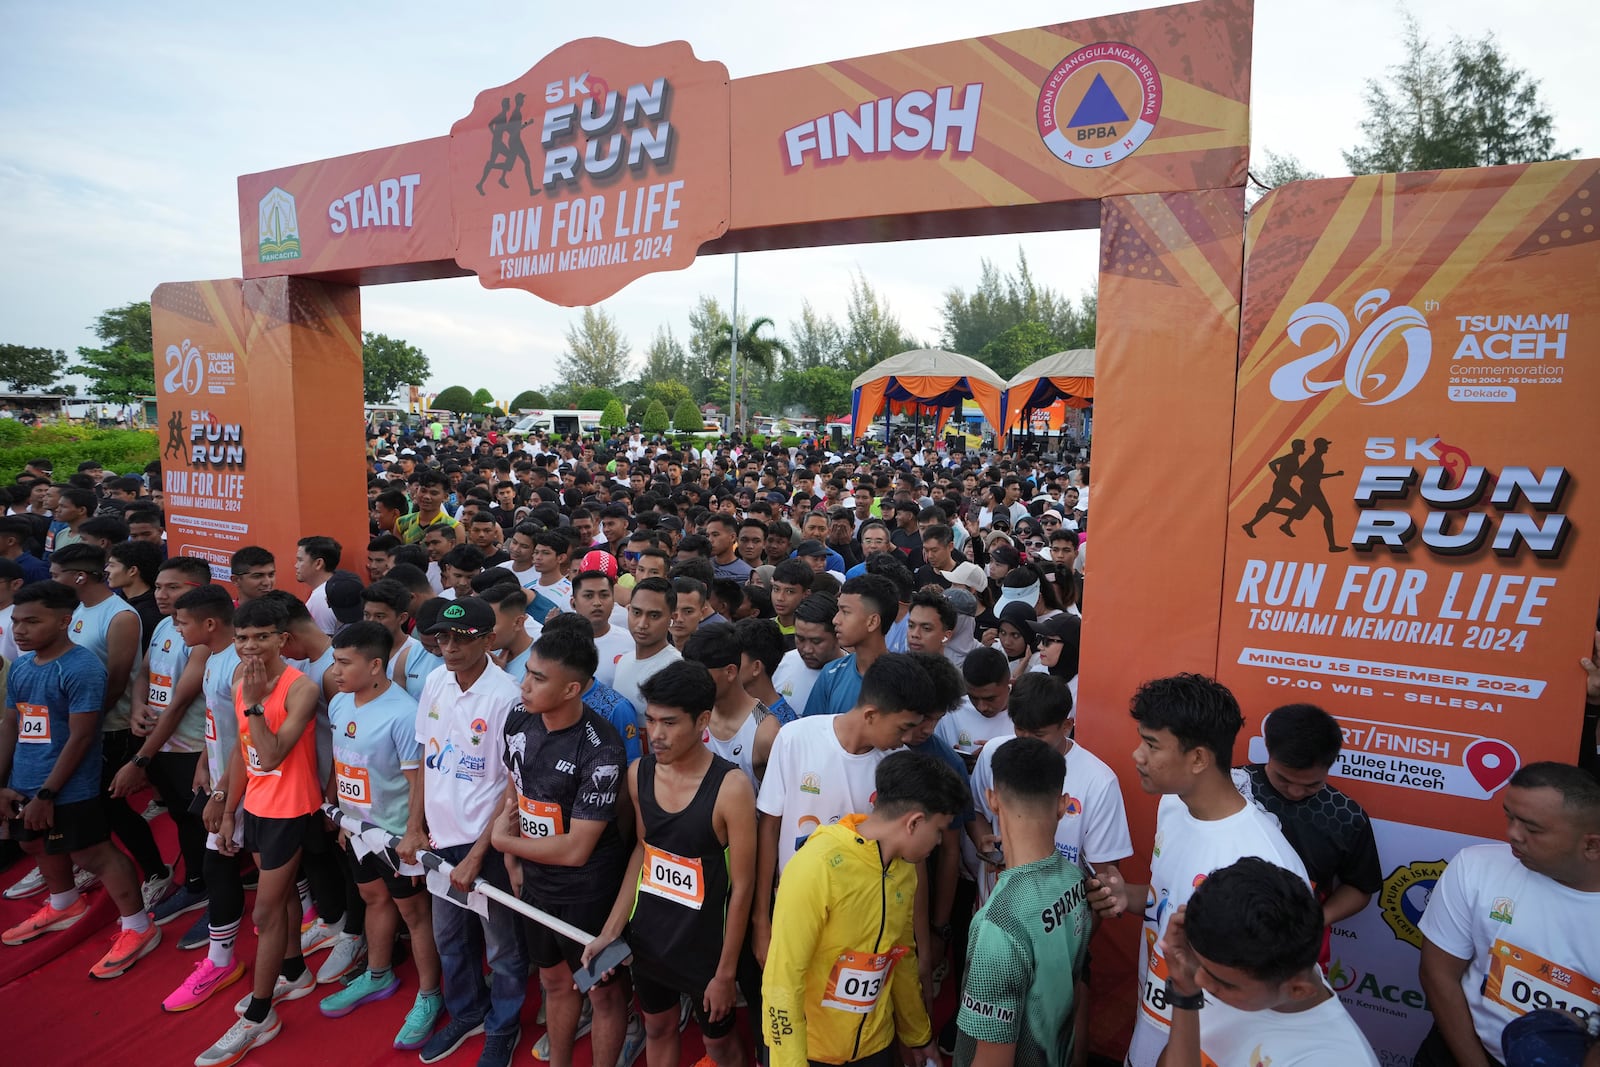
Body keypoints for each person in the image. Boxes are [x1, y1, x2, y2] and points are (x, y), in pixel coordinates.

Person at [1085, 674, 1308, 1067]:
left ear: (1199, 758)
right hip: (1151, 1027)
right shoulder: (1173, 804)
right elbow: (1165, 901)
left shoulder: (1266, 862)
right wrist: (1127, 895)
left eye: (1151, 745)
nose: (1137, 755)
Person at [581, 659, 756, 1067]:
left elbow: (744, 886)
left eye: (670, 723)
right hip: (651, 939)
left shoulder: (731, 788)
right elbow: (644, 852)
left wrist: (726, 972)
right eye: (652, 720)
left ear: (702, 721)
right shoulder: (639, 773)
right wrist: (610, 932)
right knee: (657, 1028)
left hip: (707, 947)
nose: (656, 735)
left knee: (719, 1045)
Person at [490, 621, 635, 1067]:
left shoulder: (602, 748)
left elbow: (576, 850)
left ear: (573, 688)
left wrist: (503, 843)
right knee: (553, 983)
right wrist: (513, 854)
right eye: (527, 672)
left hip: (589, 894)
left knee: (604, 995)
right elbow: (516, 783)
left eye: (538, 678)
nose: (524, 685)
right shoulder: (518, 717)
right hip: (536, 886)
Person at [762, 750, 966, 1067]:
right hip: (811, 1053)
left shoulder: (905, 872)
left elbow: (901, 957)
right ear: (914, 822)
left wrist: (918, 1037)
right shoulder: (818, 866)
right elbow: (782, 978)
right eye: (939, 830)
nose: (939, 842)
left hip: (875, 1048)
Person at [0, 580, 160, 978]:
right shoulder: (20, 666)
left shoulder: (82, 668)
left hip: (69, 785)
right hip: (23, 779)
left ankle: (139, 928)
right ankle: (64, 903)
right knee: (36, 844)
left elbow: (83, 735)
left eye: (32, 621)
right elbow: (11, 724)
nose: (19, 630)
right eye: (16, 622)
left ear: (64, 622)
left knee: (93, 854)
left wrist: (47, 792)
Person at [400, 596, 529, 1065]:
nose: (449, 647)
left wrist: (479, 852)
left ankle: (503, 1024)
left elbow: (513, 783)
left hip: (486, 844)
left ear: (490, 641)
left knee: (502, 948)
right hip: (439, 843)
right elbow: (423, 761)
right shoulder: (435, 681)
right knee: (449, 938)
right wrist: (415, 828)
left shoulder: (509, 696)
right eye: (442, 637)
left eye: (462, 638)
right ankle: (467, 1011)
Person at [196, 595, 324, 1067]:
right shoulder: (239, 679)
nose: (250, 646)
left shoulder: (300, 689)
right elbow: (241, 751)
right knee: (283, 898)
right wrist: (229, 809)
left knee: (266, 916)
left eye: (261, 637)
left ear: (281, 639)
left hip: (292, 810)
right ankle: (294, 971)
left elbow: (272, 755)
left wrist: (253, 705)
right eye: (243, 637)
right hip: (256, 806)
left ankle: (259, 1015)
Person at [1416, 762, 1600, 1067]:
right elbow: (1438, 974)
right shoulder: (1475, 867)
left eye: (1532, 828)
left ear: (1592, 846)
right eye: (1509, 817)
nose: (1512, 834)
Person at [754, 653, 932, 965]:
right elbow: (769, 829)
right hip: (793, 910)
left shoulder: (898, 766)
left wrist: (921, 949)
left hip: (863, 925)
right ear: (872, 714)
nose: (906, 738)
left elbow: (910, 862)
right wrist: (761, 921)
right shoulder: (795, 738)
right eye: (903, 727)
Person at [318, 622, 444, 1050]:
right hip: (356, 832)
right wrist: (338, 810)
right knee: (372, 899)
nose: (335, 670)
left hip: (395, 839)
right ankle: (378, 973)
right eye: (334, 661)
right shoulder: (339, 703)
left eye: (343, 662)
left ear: (375, 665)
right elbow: (341, 759)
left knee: (415, 915)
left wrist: (414, 833)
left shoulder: (403, 714)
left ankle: (429, 994)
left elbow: (418, 783)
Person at [1159, 857, 1380, 1067]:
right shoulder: (1228, 966)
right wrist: (1184, 992)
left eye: (1222, 984)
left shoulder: (1332, 1060)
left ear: (1298, 990)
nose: (1201, 980)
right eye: (1201, 966)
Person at [955, 737, 1092, 1067]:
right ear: (1063, 804)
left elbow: (992, 1061)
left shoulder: (999, 924)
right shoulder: (1075, 880)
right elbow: (1079, 990)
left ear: (992, 800)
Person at [53, 543, 169, 906]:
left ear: (80, 577)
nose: (52, 581)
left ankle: (156, 871)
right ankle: (100, 859)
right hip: (79, 725)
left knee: (112, 805)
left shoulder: (120, 616)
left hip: (110, 727)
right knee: (91, 804)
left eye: (57, 575)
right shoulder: (77, 609)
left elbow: (118, 679)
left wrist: (83, 722)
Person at [110, 556, 214, 926]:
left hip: (195, 751)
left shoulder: (201, 637)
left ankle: (216, 898)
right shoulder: (165, 627)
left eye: (172, 587)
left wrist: (140, 759)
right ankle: (196, 884)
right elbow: (144, 673)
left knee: (205, 825)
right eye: (158, 586)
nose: (160, 594)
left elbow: (180, 702)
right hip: (164, 748)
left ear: (198, 589)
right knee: (182, 819)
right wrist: (138, 707)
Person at [1234, 703, 1381, 933]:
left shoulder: (1346, 816)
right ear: (1268, 749)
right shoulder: (1230, 789)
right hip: (1223, 926)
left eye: (1312, 784)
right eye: (1283, 779)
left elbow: (1360, 887)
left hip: (1297, 943)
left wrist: (1315, 921)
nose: (1295, 792)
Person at [683, 623, 778, 791]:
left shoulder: (766, 732)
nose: (692, 682)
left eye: (701, 673)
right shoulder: (692, 714)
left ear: (730, 672)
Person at [801, 575, 897, 718]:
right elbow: (811, 733)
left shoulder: (902, 680)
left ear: (872, 622)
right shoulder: (831, 674)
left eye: (845, 612)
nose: (835, 620)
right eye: (838, 610)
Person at [610, 577, 682, 725]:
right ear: (628, 610)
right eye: (637, 613)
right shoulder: (624, 661)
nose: (642, 624)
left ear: (672, 618)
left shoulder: (675, 670)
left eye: (654, 615)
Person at [772, 593, 840, 715]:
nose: (807, 649)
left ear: (837, 635)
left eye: (816, 641)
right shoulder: (781, 664)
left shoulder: (853, 677)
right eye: (800, 639)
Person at [295, 536, 342, 636]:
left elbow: (324, 642)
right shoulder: (336, 586)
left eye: (300, 560)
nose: (296, 565)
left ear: (318, 563)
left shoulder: (321, 598)